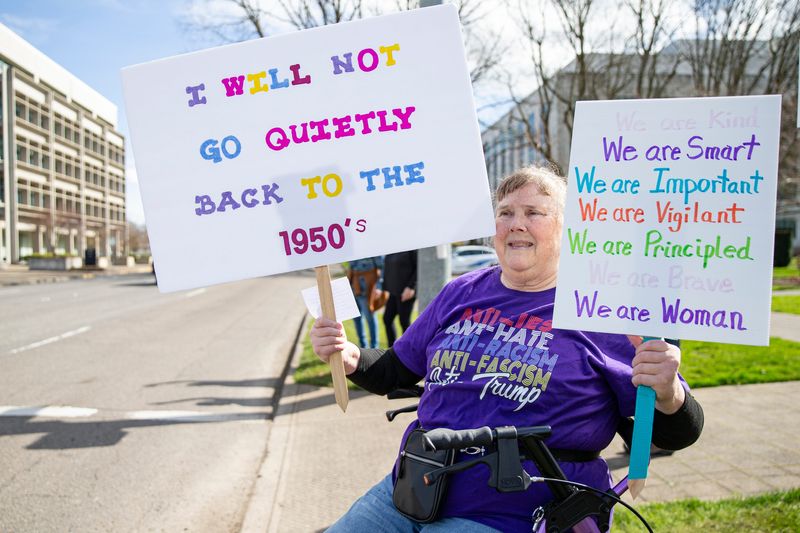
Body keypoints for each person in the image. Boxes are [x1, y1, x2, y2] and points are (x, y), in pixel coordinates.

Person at [311, 166, 704, 532]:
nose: (516, 223)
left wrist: (669, 393)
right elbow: (396, 368)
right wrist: (351, 357)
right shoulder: (460, 292)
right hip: (415, 487)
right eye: (505, 212)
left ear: (569, 228)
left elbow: (676, 432)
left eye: (535, 212)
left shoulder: (601, 310)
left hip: (517, 508)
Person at [347, 256, 384, 349]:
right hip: (353, 287)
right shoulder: (351, 247)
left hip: (368, 289)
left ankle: (374, 347)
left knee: (370, 318)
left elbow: (382, 266)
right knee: (356, 318)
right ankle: (363, 346)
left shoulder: (371, 245)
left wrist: (379, 287)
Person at [382, 250, 418, 347]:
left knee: (404, 322)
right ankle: (392, 349)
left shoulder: (411, 247)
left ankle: (407, 349)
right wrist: (384, 287)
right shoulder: (392, 247)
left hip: (406, 292)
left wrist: (411, 287)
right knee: (387, 319)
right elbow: (387, 268)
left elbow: (419, 267)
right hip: (393, 292)